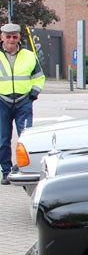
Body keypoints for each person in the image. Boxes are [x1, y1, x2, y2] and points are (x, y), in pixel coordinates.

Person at [0, 23, 45, 185]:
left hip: (23, 102)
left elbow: (39, 77)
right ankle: (6, 171)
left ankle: (26, 169)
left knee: (26, 139)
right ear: (2, 37)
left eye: (14, 37)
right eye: (8, 36)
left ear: (19, 38)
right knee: (3, 139)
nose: (11, 40)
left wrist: (33, 95)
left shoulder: (29, 55)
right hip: (2, 102)